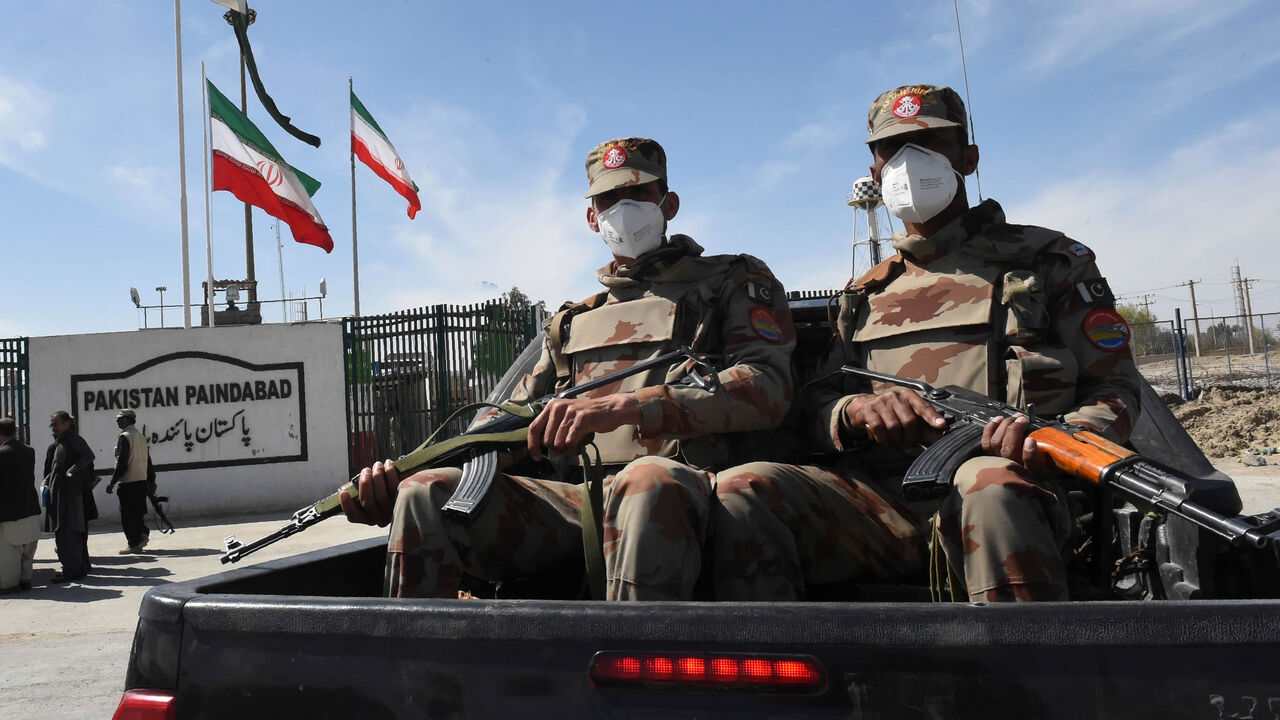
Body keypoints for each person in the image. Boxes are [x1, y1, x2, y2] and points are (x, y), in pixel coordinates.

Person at [714, 84, 1142, 602]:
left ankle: (1029, 674)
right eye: (891, 150)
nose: (910, 162)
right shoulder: (865, 291)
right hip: (883, 501)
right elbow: (817, 401)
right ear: (875, 170)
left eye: (932, 142)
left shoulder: (1048, 260)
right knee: (742, 489)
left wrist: (1052, 443)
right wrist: (857, 410)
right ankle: (775, 668)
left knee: (989, 485)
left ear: (968, 157)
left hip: (1019, 489)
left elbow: (1115, 387)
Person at [342, 136, 797, 600]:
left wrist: (628, 408)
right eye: (609, 198)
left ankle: (627, 667)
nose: (624, 207)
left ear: (669, 203)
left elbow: (769, 386)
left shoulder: (731, 283)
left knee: (646, 482)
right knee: (424, 493)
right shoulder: (570, 323)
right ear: (591, 216)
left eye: (638, 194)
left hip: (698, 498)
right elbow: (499, 428)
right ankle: (419, 666)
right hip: (579, 506)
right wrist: (395, 475)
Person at [43, 410, 95, 583]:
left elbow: (88, 456)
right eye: (52, 425)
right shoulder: (61, 442)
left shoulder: (73, 439)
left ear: (66, 423)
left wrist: (72, 470)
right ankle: (73, 568)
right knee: (64, 531)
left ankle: (73, 570)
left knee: (69, 531)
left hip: (69, 495)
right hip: (61, 495)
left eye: (56, 424)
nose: (53, 428)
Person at [0, 417, 41, 593]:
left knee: (9, 552)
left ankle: (8, 585)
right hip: (30, 506)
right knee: (27, 551)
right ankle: (26, 579)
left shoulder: (2, 454)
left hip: (9, 511)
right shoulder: (28, 451)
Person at [106, 408, 156, 554]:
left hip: (128, 483)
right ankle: (142, 536)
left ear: (127, 420)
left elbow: (121, 463)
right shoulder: (140, 437)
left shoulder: (125, 437)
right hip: (141, 482)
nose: (117, 421)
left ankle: (134, 544)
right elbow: (149, 462)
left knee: (128, 516)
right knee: (138, 513)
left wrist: (112, 482)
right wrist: (151, 480)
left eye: (120, 419)